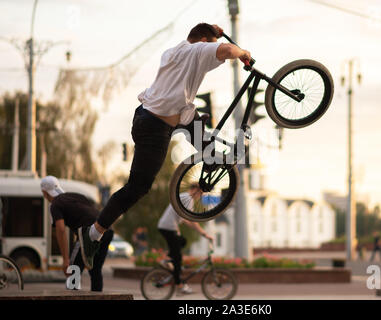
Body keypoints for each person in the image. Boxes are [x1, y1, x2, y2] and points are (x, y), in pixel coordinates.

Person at [77, 23, 251, 269]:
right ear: (203, 40)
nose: (212, 52)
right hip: (154, 127)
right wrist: (242, 52)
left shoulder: (175, 51)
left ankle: (212, 161)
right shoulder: (198, 50)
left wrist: (214, 31)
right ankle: (93, 233)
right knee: (138, 187)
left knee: (199, 132)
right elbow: (227, 51)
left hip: (167, 116)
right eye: (210, 44)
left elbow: (212, 50)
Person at [40, 176, 114, 292]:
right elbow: (88, 215)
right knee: (95, 270)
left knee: (73, 268)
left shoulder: (55, 205)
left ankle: (71, 296)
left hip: (88, 232)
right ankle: (97, 296)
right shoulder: (76, 196)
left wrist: (65, 260)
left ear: (44, 192)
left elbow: (61, 230)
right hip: (107, 230)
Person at [157, 183, 214, 295]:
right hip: (168, 227)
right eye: (200, 193)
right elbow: (191, 220)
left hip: (168, 227)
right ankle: (180, 286)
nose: (200, 196)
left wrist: (179, 229)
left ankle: (169, 258)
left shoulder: (184, 197)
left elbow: (186, 220)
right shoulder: (187, 198)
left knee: (182, 241)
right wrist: (204, 233)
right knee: (178, 259)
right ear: (194, 189)